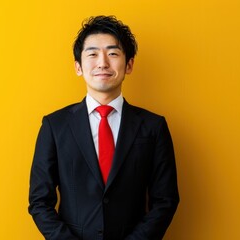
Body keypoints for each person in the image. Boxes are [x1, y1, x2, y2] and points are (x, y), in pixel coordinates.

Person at [28, 16, 179, 240]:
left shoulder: (153, 127)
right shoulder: (54, 125)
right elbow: (40, 201)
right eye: (92, 54)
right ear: (78, 66)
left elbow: (165, 200)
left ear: (129, 65)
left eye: (113, 53)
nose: (102, 63)